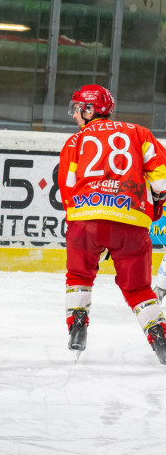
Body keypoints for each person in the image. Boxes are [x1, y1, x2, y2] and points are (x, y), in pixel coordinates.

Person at [58, 84, 166, 363]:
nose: (75, 115)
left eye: (78, 108)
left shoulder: (75, 141)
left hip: (86, 221)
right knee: (139, 289)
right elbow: (162, 179)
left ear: (90, 109)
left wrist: (80, 222)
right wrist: (154, 207)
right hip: (131, 222)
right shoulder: (139, 133)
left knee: (79, 277)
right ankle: (159, 337)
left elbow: (68, 190)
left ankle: (78, 328)